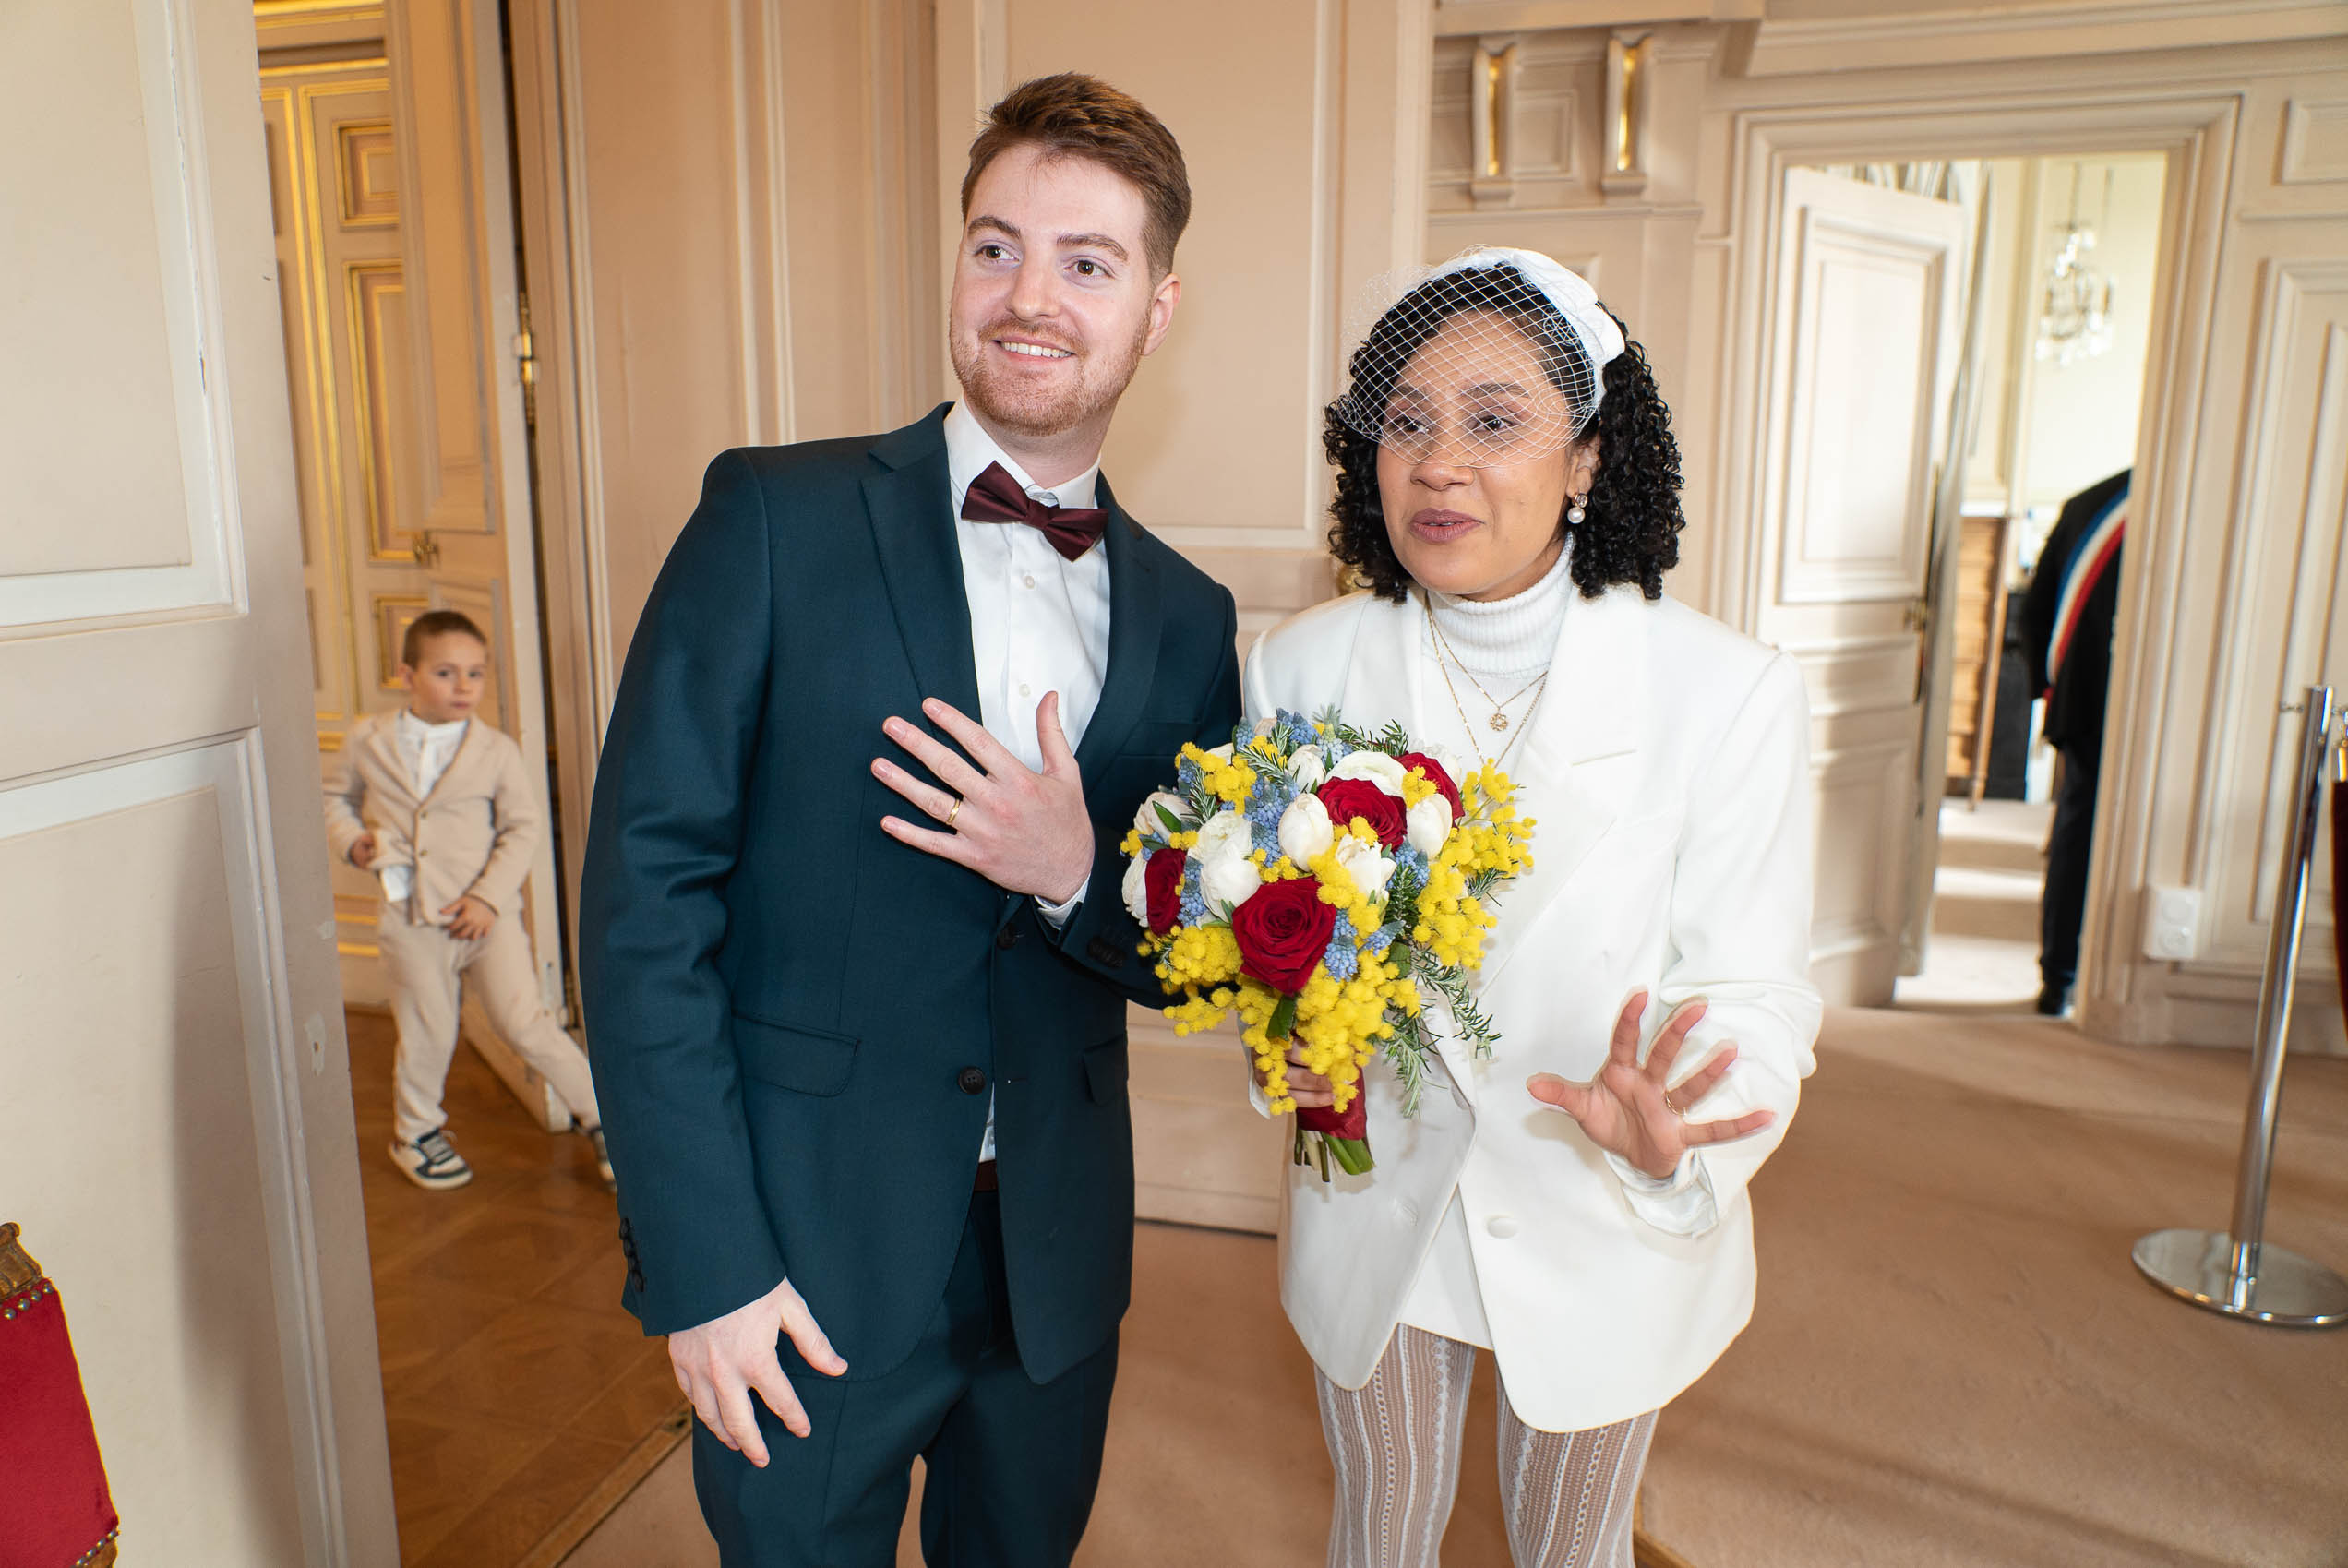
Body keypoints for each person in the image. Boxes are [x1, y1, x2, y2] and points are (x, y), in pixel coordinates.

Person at [577, 75, 1241, 1567]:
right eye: (994, 245)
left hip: (1054, 1272)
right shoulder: (767, 516)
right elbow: (640, 905)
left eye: (1087, 262)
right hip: (797, 1261)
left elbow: (1196, 957)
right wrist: (702, 1263)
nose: (1028, 297)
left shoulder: (1189, 619)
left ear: (1156, 306)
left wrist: (1080, 876)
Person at [1242, 248, 1823, 1568]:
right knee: (1376, 1532)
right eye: (1406, 420)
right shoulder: (1300, 668)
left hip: (1599, 1205)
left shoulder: (1724, 691)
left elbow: (1759, 983)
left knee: (1572, 1547)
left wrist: (1677, 1134)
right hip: (1383, 1193)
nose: (1439, 462)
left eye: (1495, 420)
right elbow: (1275, 941)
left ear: (1585, 458)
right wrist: (1284, 1035)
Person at [322, 609, 611, 1191]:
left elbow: (522, 830)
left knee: (525, 1021)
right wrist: (353, 841)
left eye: (475, 675)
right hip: (411, 915)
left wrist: (487, 899)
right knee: (429, 1027)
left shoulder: (496, 750)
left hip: (488, 919)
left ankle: (602, 1119)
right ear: (407, 673)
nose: (464, 687)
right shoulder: (368, 739)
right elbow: (335, 797)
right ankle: (416, 1132)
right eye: (447, 673)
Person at [2019, 468, 2128, 1017]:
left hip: (2083, 703)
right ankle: (2066, 976)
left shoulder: (2092, 502)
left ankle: (2058, 979)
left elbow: (2034, 615)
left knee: (2076, 837)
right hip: (2105, 707)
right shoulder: (2108, 506)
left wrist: (2049, 690)